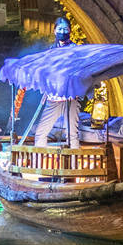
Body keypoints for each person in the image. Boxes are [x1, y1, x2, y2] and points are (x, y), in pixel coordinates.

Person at [26, 18, 82, 149]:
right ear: (54, 31)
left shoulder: (76, 50)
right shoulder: (50, 50)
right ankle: (39, 164)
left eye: (65, 29)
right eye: (59, 29)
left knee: (72, 134)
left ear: (70, 31)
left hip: (71, 97)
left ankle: (73, 166)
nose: (62, 32)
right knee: (40, 132)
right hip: (54, 98)